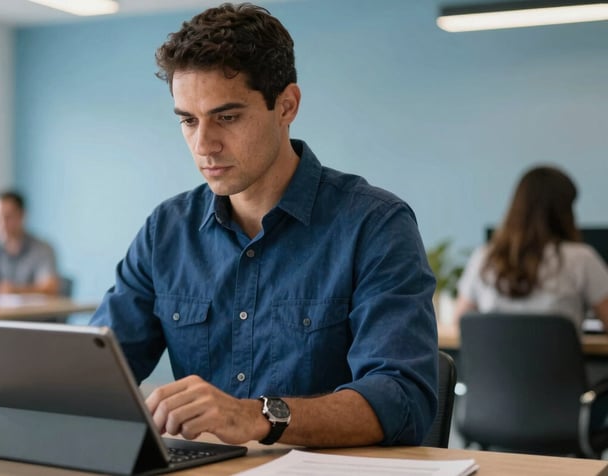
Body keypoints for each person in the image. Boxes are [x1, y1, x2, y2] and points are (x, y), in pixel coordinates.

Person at [90, 3, 437, 448]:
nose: (204, 145)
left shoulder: (375, 225)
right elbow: (97, 372)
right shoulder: (167, 230)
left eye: (227, 117)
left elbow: (403, 399)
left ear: (286, 105)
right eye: (188, 121)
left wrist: (258, 416)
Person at [453, 166, 608, 328]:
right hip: (556, 353)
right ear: (564, 211)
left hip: (492, 354)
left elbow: (459, 323)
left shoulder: (485, 257)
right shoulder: (581, 259)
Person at [0, 190, 60, 295]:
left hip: (32, 311)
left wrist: (15, 290)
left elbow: (50, 288)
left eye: (8, 217)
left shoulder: (42, 248)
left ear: (22, 215)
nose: (2, 223)